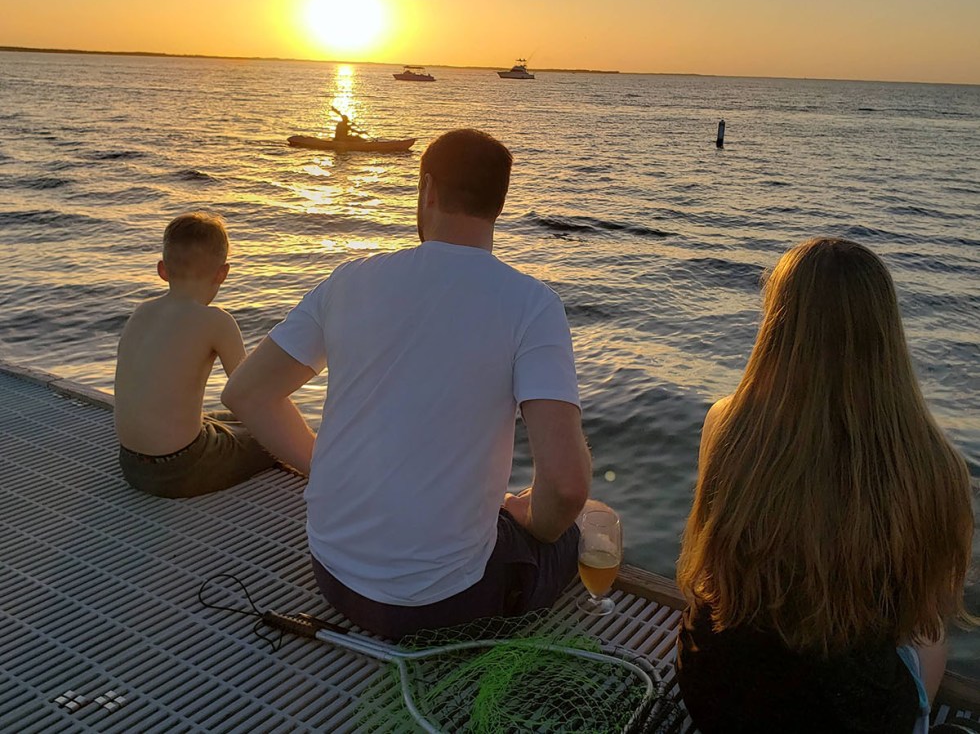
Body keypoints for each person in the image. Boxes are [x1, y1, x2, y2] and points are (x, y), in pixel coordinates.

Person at [223, 129, 593, 638]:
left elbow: (246, 392)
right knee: (592, 517)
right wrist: (533, 522)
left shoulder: (348, 280)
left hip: (330, 574)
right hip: (447, 602)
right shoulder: (532, 304)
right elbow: (569, 486)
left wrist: (323, 463)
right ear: (499, 206)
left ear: (429, 191)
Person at [675, 237, 975, 733]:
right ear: (886, 334)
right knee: (930, 632)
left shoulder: (725, 425)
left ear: (778, 326)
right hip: (847, 717)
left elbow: (707, 569)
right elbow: (920, 615)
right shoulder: (935, 466)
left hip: (714, 687)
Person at [114, 212, 293, 497]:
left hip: (130, 464)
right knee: (275, 438)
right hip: (179, 469)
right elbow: (251, 394)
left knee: (224, 419)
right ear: (223, 273)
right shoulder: (216, 321)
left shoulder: (142, 311)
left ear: (162, 269)